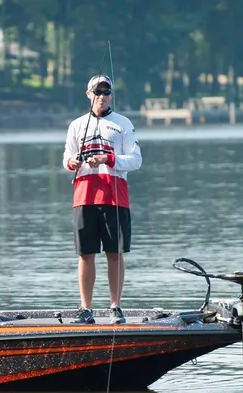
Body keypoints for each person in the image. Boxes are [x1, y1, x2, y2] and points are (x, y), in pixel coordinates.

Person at [63, 74, 142, 324]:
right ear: (89, 95)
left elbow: (136, 160)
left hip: (114, 196)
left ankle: (115, 307)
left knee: (114, 252)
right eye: (97, 92)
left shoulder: (123, 123)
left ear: (111, 95)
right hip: (84, 196)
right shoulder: (76, 125)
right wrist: (72, 162)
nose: (102, 96)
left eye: (106, 92)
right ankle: (86, 309)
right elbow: (66, 158)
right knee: (85, 254)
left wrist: (107, 159)